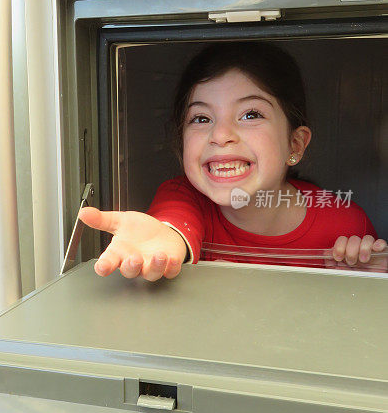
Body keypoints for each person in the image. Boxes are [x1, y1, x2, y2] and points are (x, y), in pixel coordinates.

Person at [80, 42, 387, 280]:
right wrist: (165, 239)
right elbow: (173, 224)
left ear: (295, 144)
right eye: (201, 118)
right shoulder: (182, 196)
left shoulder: (345, 221)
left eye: (251, 114)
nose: (221, 134)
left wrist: (365, 283)